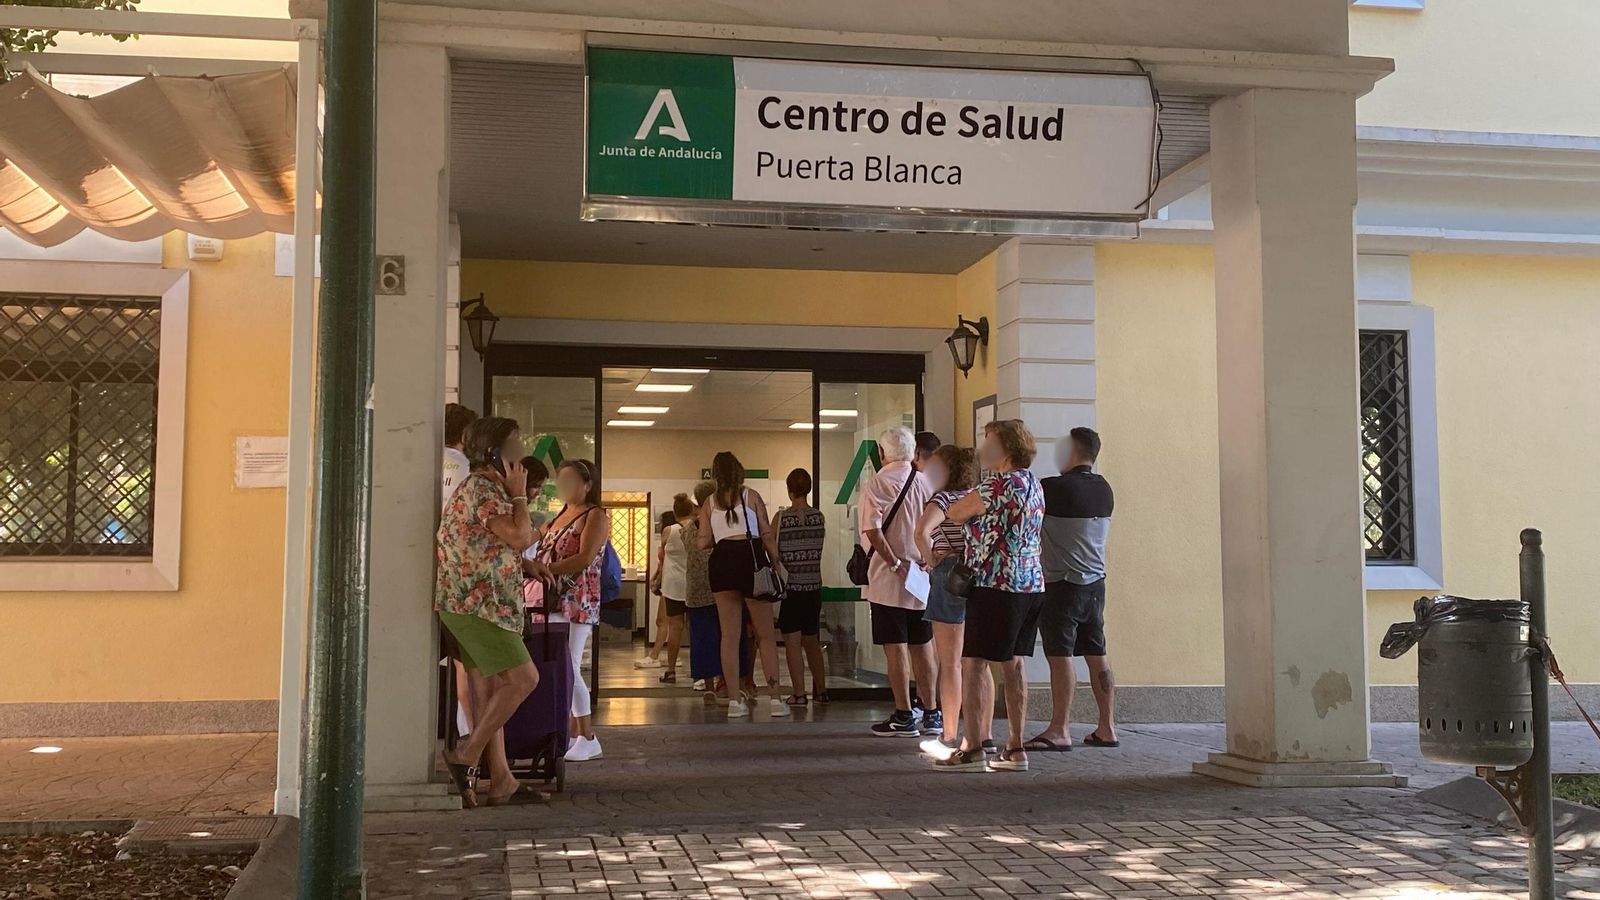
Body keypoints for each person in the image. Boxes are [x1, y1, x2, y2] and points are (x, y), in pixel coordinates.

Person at [435, 416, 548, 807]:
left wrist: (524, 564)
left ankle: (501, 779)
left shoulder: (484, 489)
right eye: (514, 447)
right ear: (494, 453)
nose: (520, 457)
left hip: (477, 604)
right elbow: (519, 535)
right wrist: (519, 495)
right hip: (477, 606)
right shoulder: (484, 489)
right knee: (523, 680)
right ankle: (466, 754)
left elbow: (494, 544)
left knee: (488, 693)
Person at [935, 419, 1046, 773]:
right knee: (1013, 664)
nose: (983, 449)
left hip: (994, 583)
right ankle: (1015, 747)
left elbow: (954, 512)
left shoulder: (996, 485)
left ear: (1006, 450)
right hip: (1030, 582)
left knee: (974, 663)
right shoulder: (1034, 484)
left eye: (989, 442)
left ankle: (972, 747)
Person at [1027, 427, 1118, 752]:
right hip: (1096, 584)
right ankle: (1107, 727)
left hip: (1062, 584)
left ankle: (1059, 728)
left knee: (1060, 654)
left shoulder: (1054, 488)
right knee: (1097, 653)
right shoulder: (1105, 489)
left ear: (1074, 452)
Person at [698, 451, 789, 719]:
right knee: (765, 635)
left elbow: (702, 542)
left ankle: (734, 701)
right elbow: (767, 533)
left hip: (722, 564)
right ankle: (774, 699)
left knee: (729, 635)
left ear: (715, 475)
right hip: (751, 561)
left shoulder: (708, 502)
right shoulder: (750, 496)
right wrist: (775, 561)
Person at [860, 427, 938, 737]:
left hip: (887, 579)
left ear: (882, 454)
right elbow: (939, 523)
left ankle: (904, 714)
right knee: (923, 646)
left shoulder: (877, 484)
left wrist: (893, 562)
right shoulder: (926, 483)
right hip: (922, 577)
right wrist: (927, 558)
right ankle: (932, 713)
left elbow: (872, 530)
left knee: (896, 649)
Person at [531, 459, 611, 762]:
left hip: (577, 600)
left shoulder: (595, 515)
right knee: (563, 665)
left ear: (587, 484)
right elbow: (533, 540)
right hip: (551, 599)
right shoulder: (559, 516)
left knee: (570, 665)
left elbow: (585, 557)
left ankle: (587, 735)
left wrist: (545, 569)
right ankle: (573, 732)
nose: (563, 486)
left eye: (569, 480)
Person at [913, 444, 986, 759]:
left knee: (951, 662)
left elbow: (921, 532)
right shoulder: (978, 497)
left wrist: (931, 559)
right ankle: (983, 733)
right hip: (978, 577)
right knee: (978, 661)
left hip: (949, 578)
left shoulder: (942, 499)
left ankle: (950, 733)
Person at [683, 480, 752, 700]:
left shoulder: (686, 530)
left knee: (703, 639)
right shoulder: (719, 523)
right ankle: (736, 683)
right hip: (722, 586)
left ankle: (709, 685)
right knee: (731, 636)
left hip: (696, 591)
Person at [441, 403, 480, 743]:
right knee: (468, 663)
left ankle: (465, 732)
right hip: (459, 575)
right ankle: (471, 734)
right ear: (467, 435)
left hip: (431, 569)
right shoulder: (466, 470)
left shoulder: (426, 462)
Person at [774, 468, 827, 706]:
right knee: (812, 641)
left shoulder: (782, 519)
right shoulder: (819, 517)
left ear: (789, 490)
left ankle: (799, 694)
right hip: (814, 586)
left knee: (793, 644)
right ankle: (821, 691)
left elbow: (774, 551)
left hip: (792, 587)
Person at [649, 497, 694, 683]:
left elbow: (664, 561)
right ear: (691, 511)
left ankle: (671, 670)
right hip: (693, 583)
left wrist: (657, 580)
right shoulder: (697, 529)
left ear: (674, 512)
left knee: (675, 627)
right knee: (695, 629)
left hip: (673, 585)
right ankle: (700, 674)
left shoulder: (669, 531)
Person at [635, 511, 679, 672]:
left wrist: (658, 580)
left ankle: (654, 656)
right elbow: (662, 563)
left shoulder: (670, 535)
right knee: (667, 621)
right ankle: (669, 656)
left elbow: (667, 562)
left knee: (663, 620)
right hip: (666, 579)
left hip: (670, 582)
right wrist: (655, 577)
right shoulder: (669, 537)